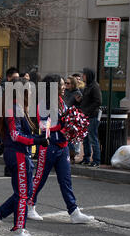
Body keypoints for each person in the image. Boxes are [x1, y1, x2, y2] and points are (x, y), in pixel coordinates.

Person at [0, 77, 49, 236]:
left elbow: (18, 134)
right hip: (18, 155)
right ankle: (19, 230)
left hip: (21, 154)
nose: (31, 92)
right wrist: (37, 140)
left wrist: (37, 138)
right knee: (23, 194)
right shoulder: (13, 108)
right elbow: (15, 135)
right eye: (28, 89)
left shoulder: (18, 107)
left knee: (25, 193)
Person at [27, 74, 95, 224]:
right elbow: (44, 126)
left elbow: (65, 121)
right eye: (61, 85)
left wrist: (74, 125)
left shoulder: (61, 102)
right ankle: (29, 205)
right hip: (48, 147)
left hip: (62, 147)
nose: (64, 87)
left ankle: (74, 211)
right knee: (39, 178)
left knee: (66, 180)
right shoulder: (44, 104)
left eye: (64, 84)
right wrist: (63, 123)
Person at [77, 68, 102, 167]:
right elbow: (88, 99)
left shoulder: (95, 87)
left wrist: (87, 110)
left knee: (93, 138)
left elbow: (98, 101)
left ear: (89, 76)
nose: (83, 76)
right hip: (86, 116)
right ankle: (86, 158)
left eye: (84, 75)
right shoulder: (88, 86)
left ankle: (96, 160)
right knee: (85, 138)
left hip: (92, 116)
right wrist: (81, 100)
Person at [64, 76, 82, 163]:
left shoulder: (77, 93)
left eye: (68, 83)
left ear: (73, 84)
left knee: (71, 138)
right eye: (65, 83)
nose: (66, 85)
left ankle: (72, 156)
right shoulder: (64, 92)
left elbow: (80, 105)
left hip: (72, 118)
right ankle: (68, 155)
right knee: (65, 137)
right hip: (64, 116)